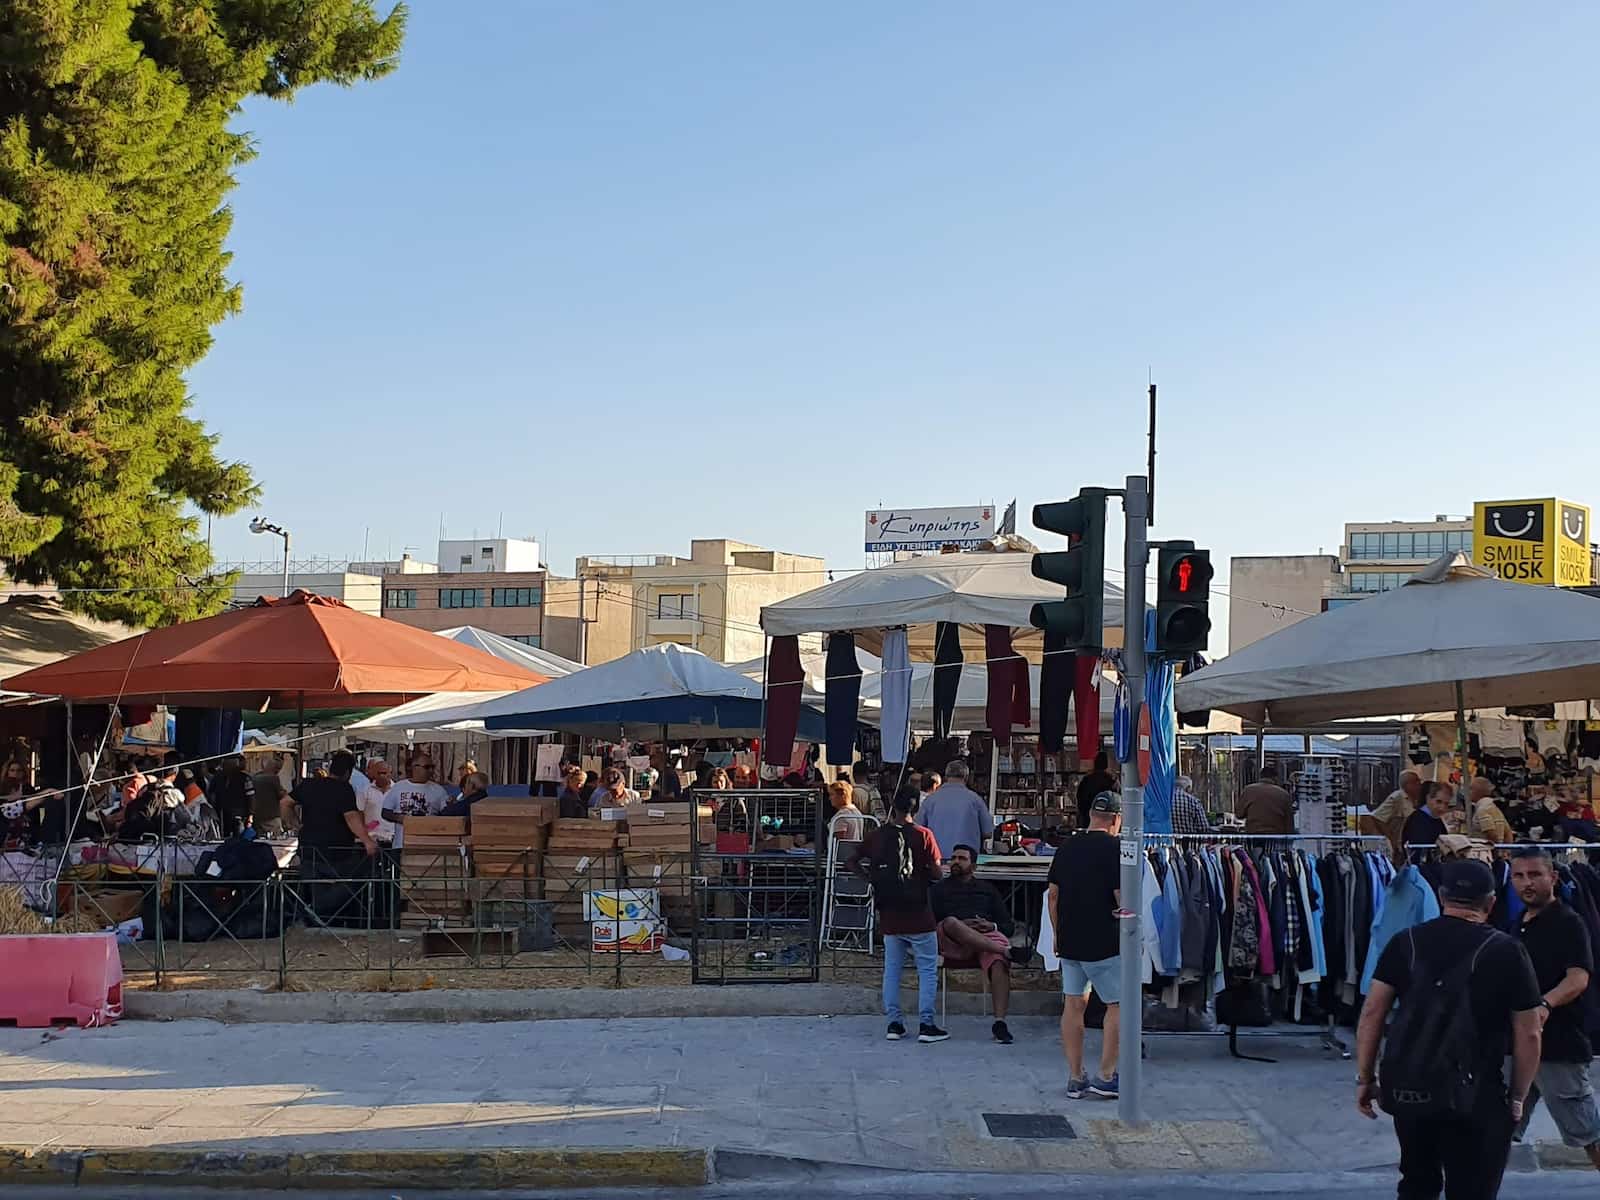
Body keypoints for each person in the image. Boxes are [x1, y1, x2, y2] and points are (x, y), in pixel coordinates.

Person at [1356, 859, 1542, 1200]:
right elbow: (1529, 1032)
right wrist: (1518, 1096)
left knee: (1416, 1182)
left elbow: (1372, 1013)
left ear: (1441, 897)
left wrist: (1366, 1078)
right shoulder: (1508, 950)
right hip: (1478, 1093)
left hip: (1412, 1087)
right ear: (1490, 902)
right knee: (1472, 1189)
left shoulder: (1405, 942)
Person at [1509, 848, 1600, 1170]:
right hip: (1515, 1047)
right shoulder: (1517, 923)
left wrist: (1545, 1005)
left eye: (1535, 875)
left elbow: (1578, 978)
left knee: (1588, 1133)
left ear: (1553, 878)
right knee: (1494, 1128)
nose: (1526, 883)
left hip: (1557, 1046)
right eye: (1519, 876)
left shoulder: (1568, 922)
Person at [851, 787, 947, 1044]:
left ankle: (894, 1023)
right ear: (915, 810)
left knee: (891, 969)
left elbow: (851, 860)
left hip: (889, 913)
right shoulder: (924, 835)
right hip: (919, 913)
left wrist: (870, 880)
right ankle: (926, 1024)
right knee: (926, 969)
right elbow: (937, 873)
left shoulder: (877, 836)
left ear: (893, 806)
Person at [1050, 791, 1124, 1100]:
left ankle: (1075, 1075)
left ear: (1091, 815)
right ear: (1117, 820)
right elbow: (1122, 898)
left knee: (1073, 1004)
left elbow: (1052, 894)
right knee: (1119, 1005)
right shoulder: (1115, 849)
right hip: (1104, 940)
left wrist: (1056, 934)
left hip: (1070, 939)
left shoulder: (1066, 847)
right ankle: (1106, 1074)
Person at [930, 843, 1017, 1044]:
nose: (956, 862)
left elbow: (1008, 925)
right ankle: (1007, 950)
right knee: (952, 922)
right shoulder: (938, 890)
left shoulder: (987, 890)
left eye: (962, 859)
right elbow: (929, 923)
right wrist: (962, 925)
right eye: (954, 858)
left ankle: (1000, 1023)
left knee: (998, 962)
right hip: (952, 940)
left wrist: (991, 925)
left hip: (983, 942)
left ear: (974, 866)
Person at [918, 761, 991, 863]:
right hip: (966, 860)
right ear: (966, 777)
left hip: (936, 859)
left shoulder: (930, 800)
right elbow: (988, 832)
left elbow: (919, 830)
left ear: (946, 776)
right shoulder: (975, 799)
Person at [381, 752, 451, 849]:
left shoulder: (439, 790)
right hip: (401, 845)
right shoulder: (399, 787)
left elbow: (446, 816)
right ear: (414, 767)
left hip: (428, 846)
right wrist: (399, 818)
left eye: (432, 767)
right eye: (427, 767)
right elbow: (385, 812)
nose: (430, 770)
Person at [1371, 770, 1423, 853]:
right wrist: (1391, 840)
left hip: (1408, 844)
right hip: (1397, 847)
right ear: (1408, 784)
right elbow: (1378, 817)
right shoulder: (1397, 797)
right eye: (1417, 782)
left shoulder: (1415, 799)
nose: (1420, 785)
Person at [207, 756, 256, 836]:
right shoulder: (218, 777)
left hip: (239, 815)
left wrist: (250, 816)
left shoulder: (245, 778)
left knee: (239, 839)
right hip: (222, 815)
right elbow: (212, 795)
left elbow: (251, 797)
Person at [1237, 766, 1294, 835]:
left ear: (1260, 776)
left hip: (1253, 836)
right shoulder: (1284, 794)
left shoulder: (1248, 790)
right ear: (1275, 778)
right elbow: (1289, 823)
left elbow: (1239, 814)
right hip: (1276, 837)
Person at [1401, 781, 1453, 856]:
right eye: (1438, 802)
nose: (1442, 808)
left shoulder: (1435, 818)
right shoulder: (1417, 820)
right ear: (1428, 798)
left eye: (1446, 804)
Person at [1075, 751, 1117, 831]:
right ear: (1106, 765)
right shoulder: (1110, 780)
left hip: (1087, 817)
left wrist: (1084, 813)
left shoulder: (1086, 780)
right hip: (1106, 819)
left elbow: (1080, 798)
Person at [359, 759, 397, 847]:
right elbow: (359, 812)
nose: (381, 776)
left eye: (384, 773)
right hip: (371, 837)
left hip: (392, 837)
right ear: (374, 774)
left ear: (390, 773)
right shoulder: (365, 790)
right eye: (378, 773)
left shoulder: (397, 790)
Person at [1469, 777, 1515, 845]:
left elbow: (1491, 834)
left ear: (1477, 791)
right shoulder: (1495, 807)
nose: (1469, 792)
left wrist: (1495, 849)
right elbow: (1508, 833)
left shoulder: (1483, 809)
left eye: (1471, 789)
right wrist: (1505, 850)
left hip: (1486, 852)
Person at [827, 779, 867, 843]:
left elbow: (839, 842)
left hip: (845, 851)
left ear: (842, 795)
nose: (830, 798)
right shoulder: (856, 811)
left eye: (832, 794)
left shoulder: (841, 816)